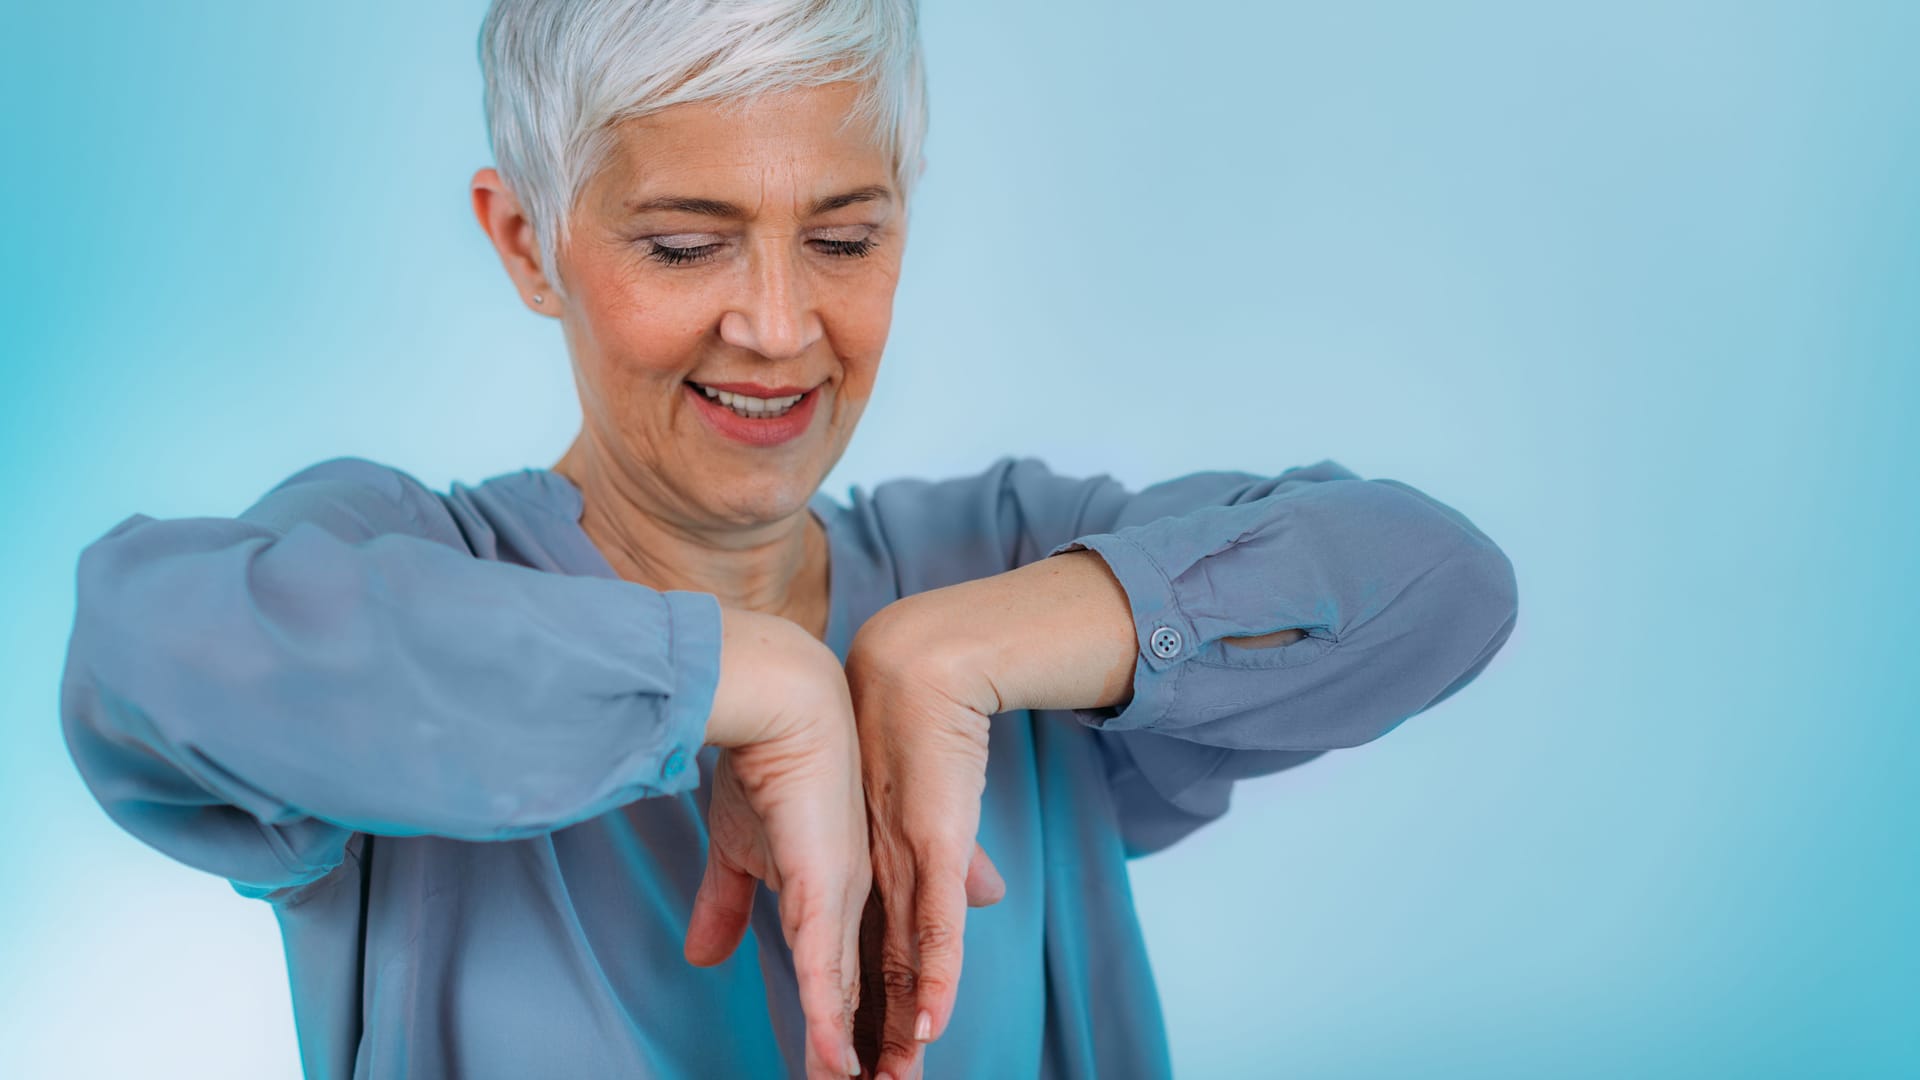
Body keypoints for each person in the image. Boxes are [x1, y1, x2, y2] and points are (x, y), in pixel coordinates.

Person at [57, 1, 1520, 1077]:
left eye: (842, 237)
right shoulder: (406, 573)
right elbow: (137, 662)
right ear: (526, 244)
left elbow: (1439, 584)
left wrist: (940, 656)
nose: (774, 325)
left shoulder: (1015, 571)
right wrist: (738, 682)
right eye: (684, 244)